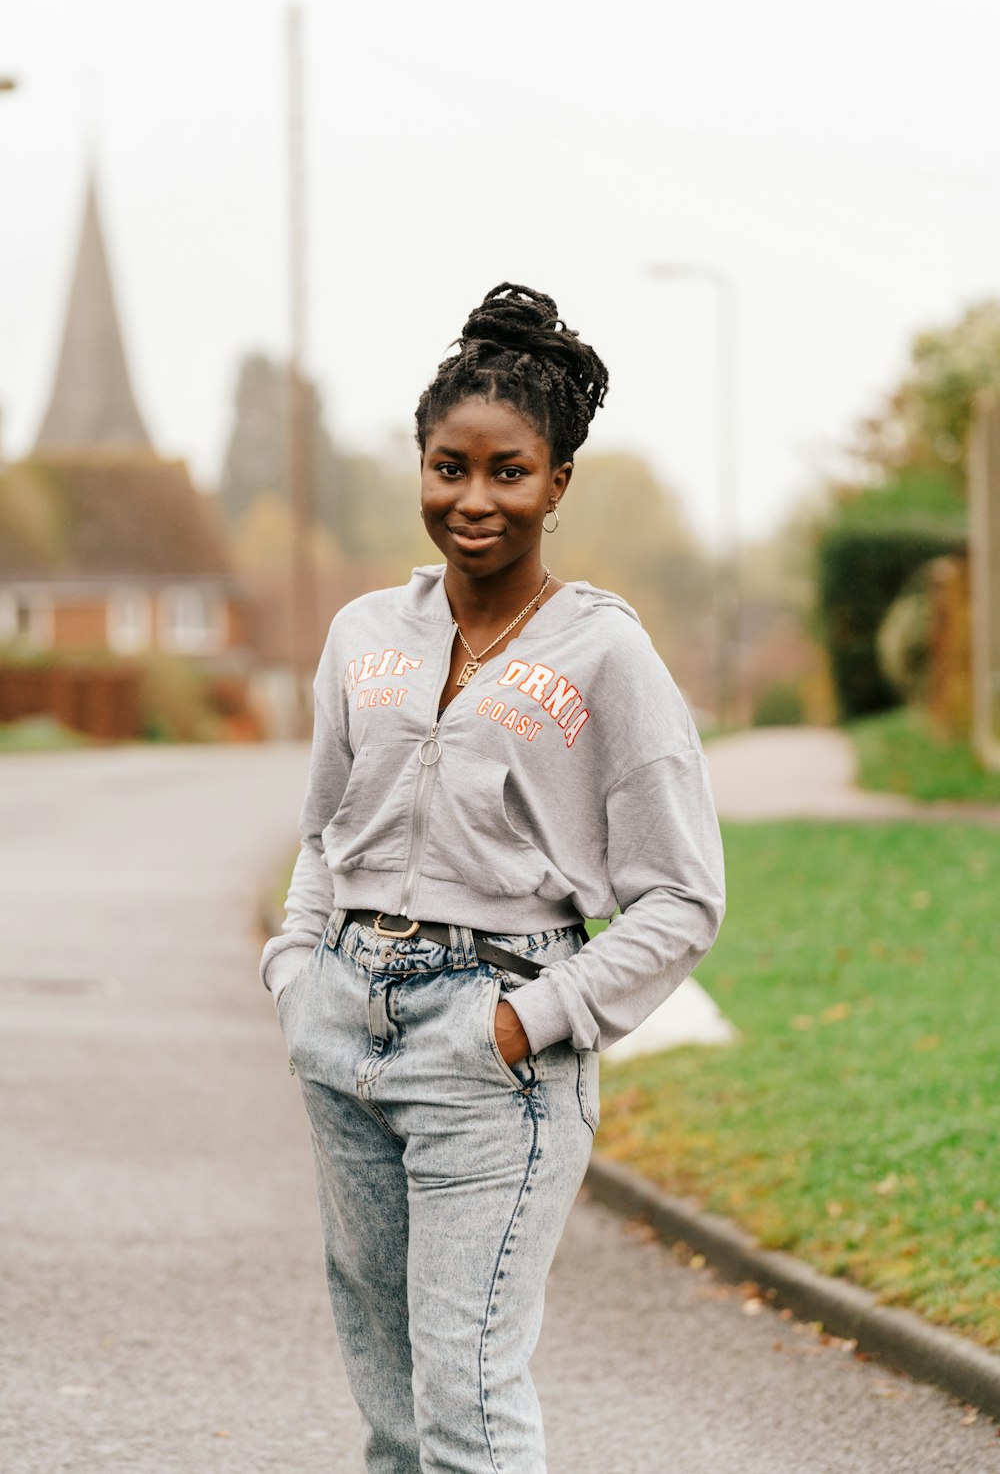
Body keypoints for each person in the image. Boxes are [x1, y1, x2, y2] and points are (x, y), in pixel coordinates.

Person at [260, 283, 725, 1474]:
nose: (474, 499)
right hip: (344, 1024)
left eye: (508, 472)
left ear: (556, 482)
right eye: (447, 467)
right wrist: (294, 971)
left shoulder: (606, 651)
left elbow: (680, 893)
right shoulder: (364, 634)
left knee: (466, 1403)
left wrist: (530, 1020)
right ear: (418, 466)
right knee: (395, 1408)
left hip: (493, 1044)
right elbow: (324, 829)